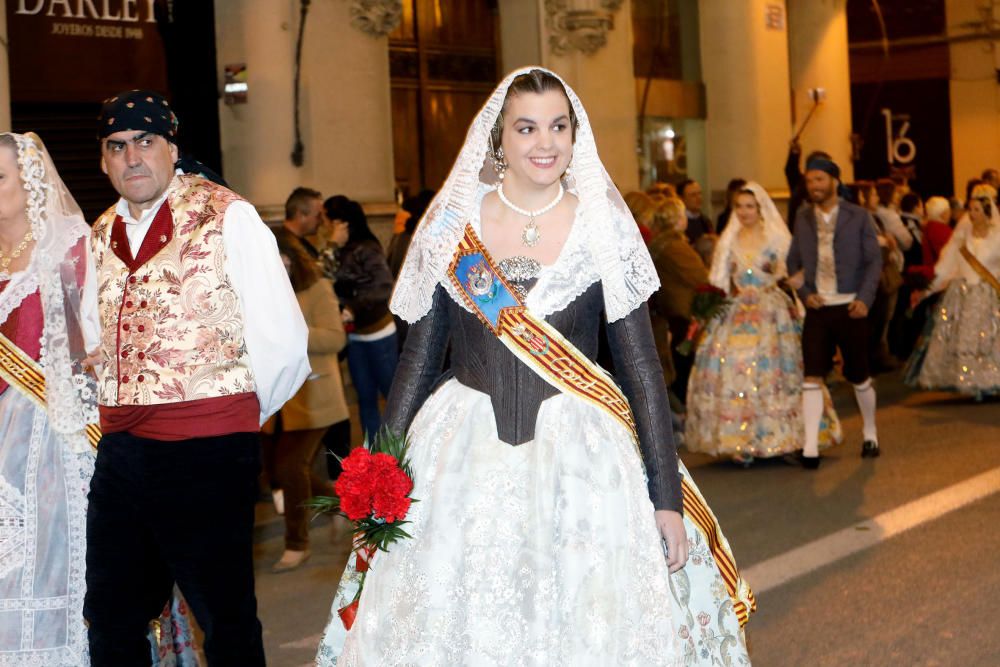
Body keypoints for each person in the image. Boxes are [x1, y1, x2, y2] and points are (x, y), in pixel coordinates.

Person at [316, 67, 753, 666]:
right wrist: (379, 476)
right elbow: (418, 357)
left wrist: (666, 499)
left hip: (583, 459)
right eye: (527, 128)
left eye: (558, 126)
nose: (545, 142)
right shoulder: (454, 226)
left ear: (576, 135)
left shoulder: (604, 226)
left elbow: (642, 370)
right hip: (461, 454)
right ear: (498, 139)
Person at [81, 90, 310, 665]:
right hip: (122, 450)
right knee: (110, 612)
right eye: (117, 146)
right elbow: (95, 339)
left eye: (146, 142)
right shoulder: (98, 232)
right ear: (104, 160)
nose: (132, 157)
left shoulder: (228, 215)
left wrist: (228, 422)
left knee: (223, 616)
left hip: (207, 450)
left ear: (172, 148)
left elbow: (284, 344)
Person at [0, 131, 97, 663]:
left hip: (48, 445)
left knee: (44, 566)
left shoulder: (67, 249)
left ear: (29, 180)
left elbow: (86, 355)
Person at [686, 183, 840, 465]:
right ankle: (739, 439)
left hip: (772, 311)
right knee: (735, 369)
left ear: (760, 209)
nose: (744, 212)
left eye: (749, 206)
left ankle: (783, 436)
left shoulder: (777, 239)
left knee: (776, 372)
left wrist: (797, 286)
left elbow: (798, 269)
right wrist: (707, 309)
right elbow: (718, 280)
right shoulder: (728, 240)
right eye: (739, 207)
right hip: (736, 310)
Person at [787, 157, 882, 468]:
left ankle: (870, 432)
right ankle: (811, 447)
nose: (813, 186)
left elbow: (874, 262)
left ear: (834, 181)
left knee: (858, 375)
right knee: (812, 376)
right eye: (809, 181)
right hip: (818, 308)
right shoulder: (802, 217)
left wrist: (865, 299)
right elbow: (792, 262)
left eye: (819, 180)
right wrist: (804, 293)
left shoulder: (858, 216)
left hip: (851, 306)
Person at [264, 230, 348, 573]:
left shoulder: (317, 289)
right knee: (277, 466)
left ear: (289, 258)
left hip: (316, 395)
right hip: (279, 398)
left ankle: (297, 544)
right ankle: (341, 503)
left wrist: (293, 333)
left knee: (289, 466)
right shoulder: (264, 292)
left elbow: (336, 337)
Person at [907, 184, 1000, 397]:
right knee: (964, 339)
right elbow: (946, 266)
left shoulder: (998, 238)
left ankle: (989, 380)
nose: (972, 214)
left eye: (977, 210)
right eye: (970, 209)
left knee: (989, 340)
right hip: (964, 296)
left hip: (989, 296)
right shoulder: (961, 237)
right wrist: (927, 290)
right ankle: (969, 381)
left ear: (987, 212)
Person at [326, 195, 398, 441]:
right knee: (365, 397)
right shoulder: (335, 249)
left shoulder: (367, 247)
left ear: (342, 223)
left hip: (378, 333)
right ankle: (375, 456)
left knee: (392, 395)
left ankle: (402, 451)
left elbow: (384, 286)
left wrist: (354, 307)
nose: (325, 227)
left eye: (328, 221)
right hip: (354, 335)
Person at [643, 195, 708, 405]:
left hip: (669, 311)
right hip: (681, 313)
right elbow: (700, 277)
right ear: (679, 220)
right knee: (682, 368)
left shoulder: (661, 243)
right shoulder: (676, 247)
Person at [677, 178, 714, 245]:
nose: (698, 198)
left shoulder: (705, 221)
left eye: (699, 193)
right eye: (693, 195)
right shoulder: (678, 223)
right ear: (681, 198)